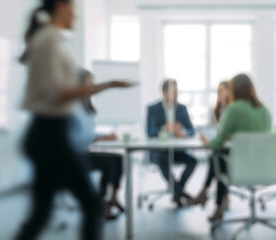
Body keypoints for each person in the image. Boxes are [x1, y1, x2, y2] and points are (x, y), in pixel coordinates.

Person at [15, 1, 133, 239]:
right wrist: (108, 85)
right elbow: (57, 92)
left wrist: (105, 86)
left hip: (48, 133)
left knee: (40, 214)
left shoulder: (53, 39)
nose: (76, 17)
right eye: (73, 10)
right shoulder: (49, 41)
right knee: (91, 205)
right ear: (60, 7)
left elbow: (62, 90)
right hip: (50, 134)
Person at [199, 74, 272, 221]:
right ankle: (212, 198)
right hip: (264, 167)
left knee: (217, 156)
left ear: (234, 90)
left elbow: (218, 141)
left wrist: (207, 142)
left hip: (241, 168)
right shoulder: (264, 110)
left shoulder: (233, 109)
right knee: (220, 156)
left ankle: (213, 200)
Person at [70, 70, 125, 220]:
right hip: (74, 156)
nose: (93, 87)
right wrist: (101, 138)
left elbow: (87, 133)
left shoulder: (85, 104)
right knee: (108, 163)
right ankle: (101, 203)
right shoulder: (73, 106)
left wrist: (103, 137)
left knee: (118, 158)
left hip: (83, 151)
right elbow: (77, 136)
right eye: (89, 83)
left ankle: (113, 197)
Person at [146, 79, 197, 208]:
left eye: (177, 91)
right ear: (164, 93)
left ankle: (177, 191)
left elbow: (192, 131)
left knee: (193, 161)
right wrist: (165, 128)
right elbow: (150, 132)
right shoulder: (152, 109)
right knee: (161, 159)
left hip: (178, 150)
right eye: (173, 92)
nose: (176, 95)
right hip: (160, 151)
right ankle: (179, 192)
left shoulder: (182, 108)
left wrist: (183, 133)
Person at [189, 81, 230, 207]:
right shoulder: (216, 110)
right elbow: (213, 129)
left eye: (222, 90)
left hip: (232, 151)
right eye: (218, 90)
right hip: (221, 146)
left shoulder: (233, 111)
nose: (219, 93)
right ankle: (222, 199)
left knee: (217, 159)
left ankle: (205, 193)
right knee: (216, 158)